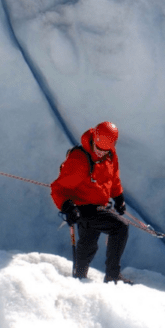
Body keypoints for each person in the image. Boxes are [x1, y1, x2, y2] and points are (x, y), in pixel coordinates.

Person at [51, 121, 132, 284]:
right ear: (94, 139)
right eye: (98, 148)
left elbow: (113, 177)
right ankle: (113, 275)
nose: (101, 153)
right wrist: (67, 206)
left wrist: (118, 197)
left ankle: (79, 278)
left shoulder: (110, 153)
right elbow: (58, 188)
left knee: (88, 245)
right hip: (82, 208)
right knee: (120, 227)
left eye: (105, 150)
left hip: (99, 205)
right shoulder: (79, 160)